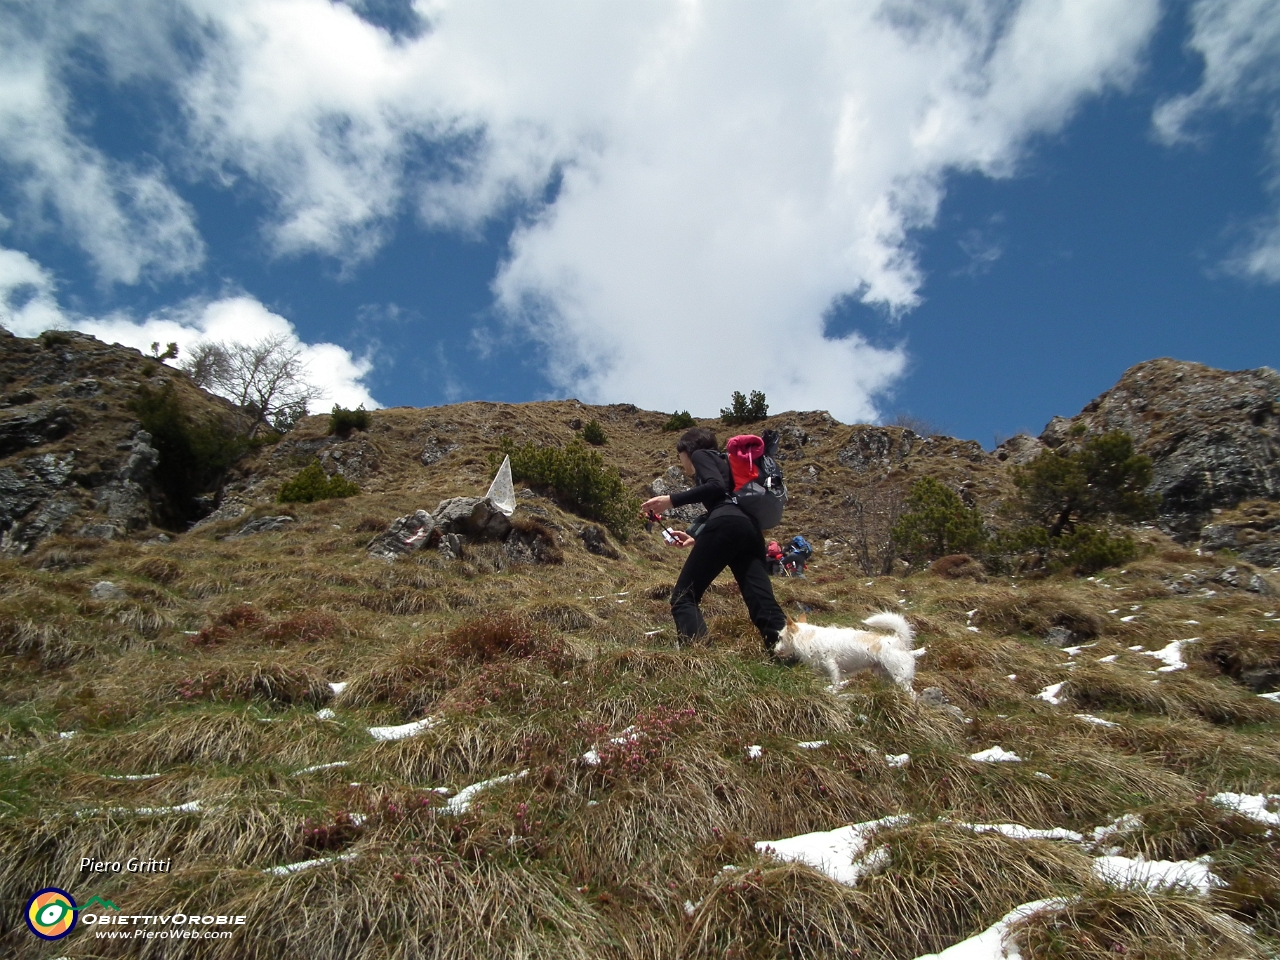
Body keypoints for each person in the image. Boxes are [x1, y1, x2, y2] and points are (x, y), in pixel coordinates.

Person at [641, 427, 787, 655]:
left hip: (727, 524)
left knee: (683, 596)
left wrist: (670, 500)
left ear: (688, 451)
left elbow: (715, 488)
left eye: (681, 456)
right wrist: (695, 538)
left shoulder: (701, 455)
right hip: (750, 531)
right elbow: (726, 502)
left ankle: (701, 657)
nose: (682, 463)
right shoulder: (729, 463)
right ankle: (786, 652)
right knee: (760, 598)